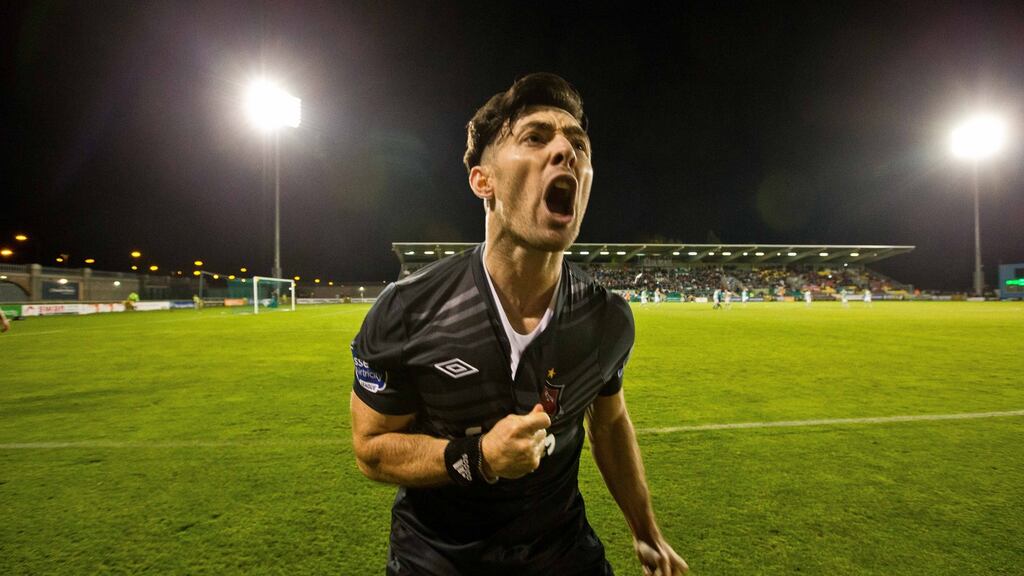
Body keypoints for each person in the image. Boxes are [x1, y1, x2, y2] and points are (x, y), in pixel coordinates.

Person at [350, 73, 687, 576]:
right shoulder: (406, 311)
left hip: (561, 554)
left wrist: (646, 531)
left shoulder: (605, 319)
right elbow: (372, 449)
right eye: (535, 137)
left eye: (578, 144)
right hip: (438, 560)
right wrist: (479, 456)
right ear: (483, 180)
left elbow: (610, 422)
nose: (565, 151)